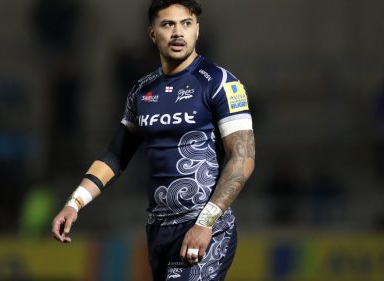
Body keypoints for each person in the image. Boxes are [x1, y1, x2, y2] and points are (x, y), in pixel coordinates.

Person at [51, 1, 255, 280]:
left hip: (205, 226)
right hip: (159, 232)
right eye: (168, 24)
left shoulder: (220, 83)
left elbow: (242, 158)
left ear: (197, 30)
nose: (177, 33)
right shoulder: (143, 91)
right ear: (152, 33)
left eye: (186, 23)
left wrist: (206, 222)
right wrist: (74, 203)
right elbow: (115, 155)